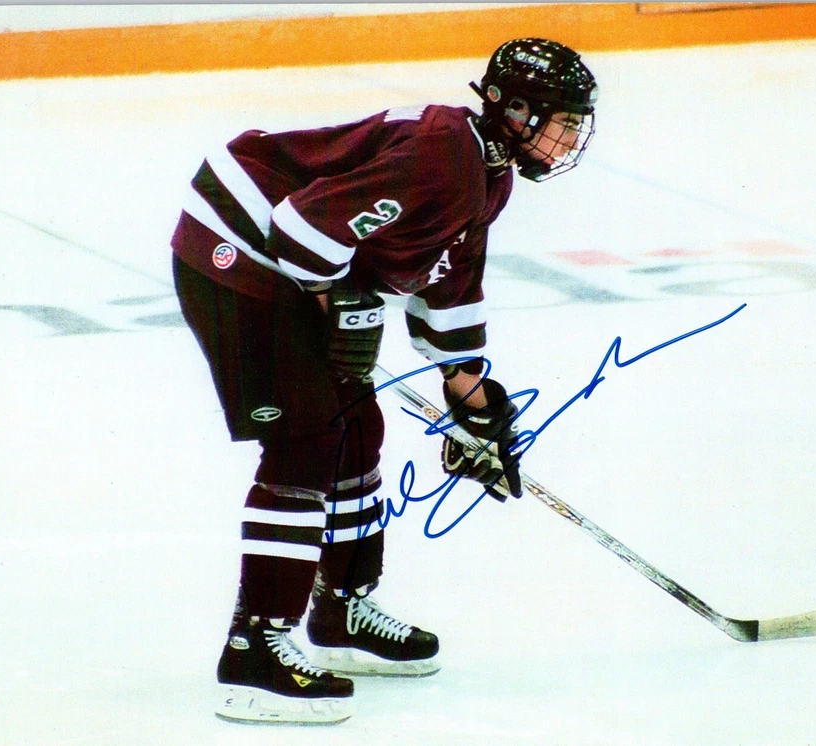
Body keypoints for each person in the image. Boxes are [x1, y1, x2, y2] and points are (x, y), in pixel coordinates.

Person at [171, 38, 599, 724]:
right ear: (513, 111)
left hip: (289, 261)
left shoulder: (488, 175)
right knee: (309, 436)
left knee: (357, 424)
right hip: (238, 254)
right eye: (561, 119)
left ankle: (339, 611)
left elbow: (450, 288)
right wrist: (338, 309)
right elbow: (302, 228)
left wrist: (471, 403)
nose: (570, 136)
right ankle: (253, 648)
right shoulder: (443, 155)